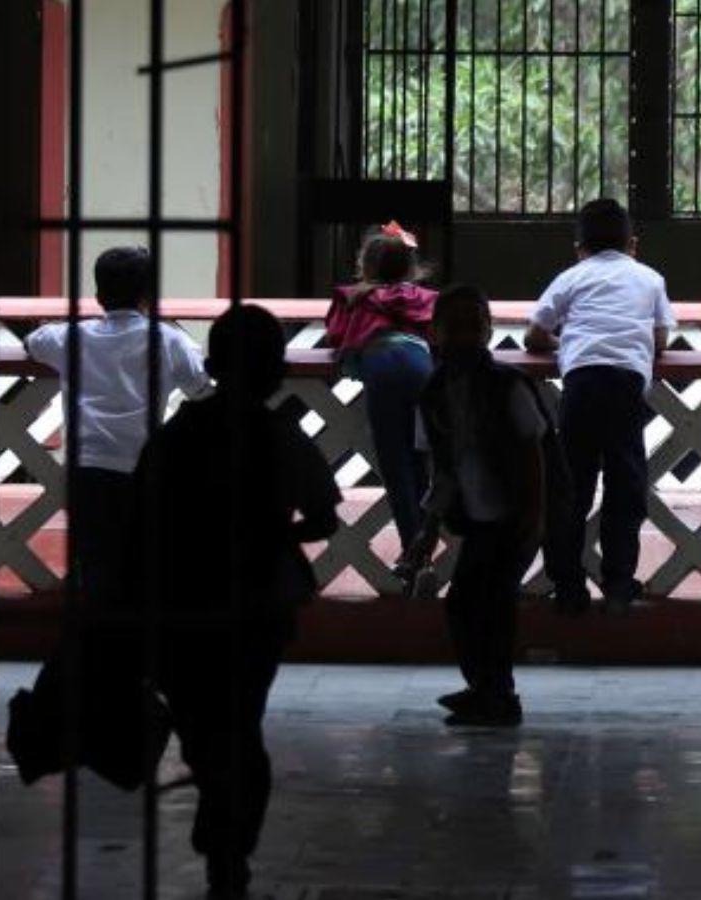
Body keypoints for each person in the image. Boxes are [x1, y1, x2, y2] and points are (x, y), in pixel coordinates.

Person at [134, 305, 341, 898]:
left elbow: (140, 520)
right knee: (242, 723)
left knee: (200, 724)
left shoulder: (176, 436)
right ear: (277, 371)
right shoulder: (280, 436)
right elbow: (324, 517)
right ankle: (230, 847)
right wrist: (274, 535)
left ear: (210, 364)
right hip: (258, 599)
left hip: (180, 597)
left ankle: (218, 824)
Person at [24, 246, 210, 605]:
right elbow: (201, 387)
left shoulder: (71, 336)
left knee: (94, 558)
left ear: (99, 295)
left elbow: (32, 343)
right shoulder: (167, 340)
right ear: (148, 296)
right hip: (142, 465)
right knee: (143, 557)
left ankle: (95, 624)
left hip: (87, 466)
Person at [402, 285, 547, 727]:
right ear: (434, 332)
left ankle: (497, 694)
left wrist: (533, 516)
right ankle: (486, 688)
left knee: (492, 605)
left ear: (488, 331)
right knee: (465, 605)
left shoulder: (508, 385)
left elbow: (534, 455)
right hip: (478, 518)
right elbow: (441, 469)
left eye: (473, 325)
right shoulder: (433, 394)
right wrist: (428, 528)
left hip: (514, 516)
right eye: (455, 325)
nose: (465, 335)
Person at [524, 198, 676, 615]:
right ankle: (619, 584)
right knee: (625, 487)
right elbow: (660, 340)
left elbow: (534, 336)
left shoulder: (571, 277)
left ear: (579, 248)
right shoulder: (650, 278)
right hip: (626, 386)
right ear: (633, 245)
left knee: (571, 489)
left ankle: (568, 585)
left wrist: (569, 341)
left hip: (582, 385)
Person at [326, 222, 437, 554]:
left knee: (394, 460)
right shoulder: (425, 299)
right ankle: (427, 544)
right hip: (422, 368)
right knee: (419, 456)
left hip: (382, 365)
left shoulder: (354, 298)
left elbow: (335, 335)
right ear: (411, 267)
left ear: (365, 265)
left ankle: (412, 549)